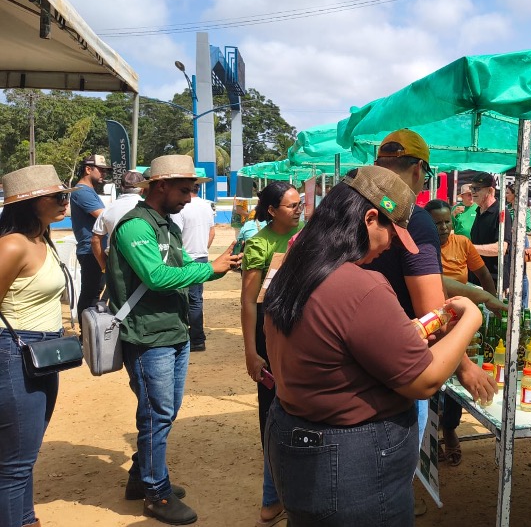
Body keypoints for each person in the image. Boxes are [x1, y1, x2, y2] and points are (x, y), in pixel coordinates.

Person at [262, 166, 482, 526]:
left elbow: (326, 345)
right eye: (392, 233)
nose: (391, 245)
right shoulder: (361, 286)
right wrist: (470, 317)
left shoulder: (296, 267)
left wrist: (399, 336)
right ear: (369, 219)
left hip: (295, 442)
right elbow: (425, 380)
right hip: (351, 462)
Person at [365, 129, 497, 515]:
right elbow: (431, 309)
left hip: (348, 350)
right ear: (419, 170)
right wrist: (465, 366)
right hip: (400, 353)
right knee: (393, 461)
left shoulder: (349, 206)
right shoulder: (412, 216)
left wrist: (483, 294)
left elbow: (430, 280)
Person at [105, 155, 241, 526]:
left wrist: (216, 268)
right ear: (160, 186)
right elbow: (156, 276)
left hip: (171, 330)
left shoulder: (167, 224)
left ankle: (141, 476)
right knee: (157, 413)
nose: (189, 197)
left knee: (163, 410)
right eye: (185, 190)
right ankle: (156, 493)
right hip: (148, 336)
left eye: (192, 190)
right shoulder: (135, 226)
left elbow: (178, 270)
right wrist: (209, 270)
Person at [0, 165, 78, 527]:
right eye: (57, 197)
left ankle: (26, 519)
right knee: (15, 463)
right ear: (30, 203)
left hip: (43, 353)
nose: (65, 202)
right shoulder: (13, 244)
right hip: (15, 352)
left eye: (65, 195)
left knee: (23, 455)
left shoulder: (42, 238)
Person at [239, 181, 303, 527]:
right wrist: (251, 351)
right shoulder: (259, 244)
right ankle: (272, 495)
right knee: (272, 414)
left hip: (303, 336)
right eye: (291, 206)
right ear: (272, 211)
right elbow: (249, 302)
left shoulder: (307, 235)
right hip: (269, 337)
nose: (298, 210)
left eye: (300, 204)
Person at [425, 198, 497, 466]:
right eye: (437, 223)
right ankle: (429, 435)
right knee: (434, 376)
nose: (443, 228)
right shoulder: (423, 247)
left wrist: (492, 300)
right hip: (432, 321)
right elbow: (436, 284)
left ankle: (450, 429)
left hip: (460, 321)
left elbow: (484, 275)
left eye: (447, 222)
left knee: (457, 374)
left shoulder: (463, 244)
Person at [171, 184, 216, 352]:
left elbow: (175, 235)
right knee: (196, 299)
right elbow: (212, 232)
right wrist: (203, 249)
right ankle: (196, 337)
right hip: (201, 256)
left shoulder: (181, 207)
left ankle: (195, 338)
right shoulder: (206, 206)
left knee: (185, 299)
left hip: (185, 257)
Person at [70, 154, 111, 318]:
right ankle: (85, 331)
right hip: (90, 251)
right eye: (101, 170)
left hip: (95, 250)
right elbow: (104, 217)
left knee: (94, 292)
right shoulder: (82, 192)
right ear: (88, 169)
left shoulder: (88, 191)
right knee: (90, 294)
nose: (104, 174)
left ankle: (88, 329)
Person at [91, 170, 145, 270]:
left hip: (115, 264)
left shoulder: (108, 209)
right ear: (142, 189)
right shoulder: (147, 208)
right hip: (142, 262)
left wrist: (104, 267)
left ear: (121, 187)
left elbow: (95, 240)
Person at [468, 172, 513, 293]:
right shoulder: (479, 210)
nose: (472, 192)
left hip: (494, 281)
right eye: (471, 188)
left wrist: (470, 248)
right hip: (476, 278)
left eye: (477, 188)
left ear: (490, 191)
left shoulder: (501, 213)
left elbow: (501, 248)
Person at [504, 183, 530, 309]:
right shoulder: (506, 208)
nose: (505, 195)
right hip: (509, 240)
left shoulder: (524, 208)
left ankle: (523, 305)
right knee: (509, 269)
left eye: (508, 193)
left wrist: (515, 228)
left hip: (521, 241)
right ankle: (510, 301)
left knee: (522, 272)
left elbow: (528, 226)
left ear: (515, 194)